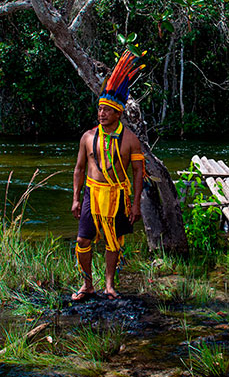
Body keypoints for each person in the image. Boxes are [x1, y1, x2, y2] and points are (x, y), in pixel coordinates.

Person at [71, 51, 146, 301]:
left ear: (118, 113)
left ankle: (110, 284)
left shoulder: (131, 140)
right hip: (92, 193)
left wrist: (135, 204)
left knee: (113, 242)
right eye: (99, 109)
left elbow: (138, 173)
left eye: (106, 110)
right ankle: (87, 284)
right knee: (83, 239)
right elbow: (80, 169)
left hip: (117, 195)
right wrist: (75, 198)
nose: (101, 113)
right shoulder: (87, 137)